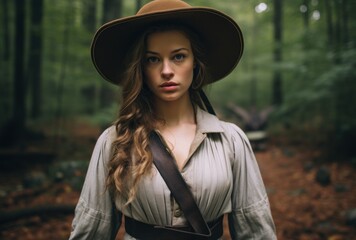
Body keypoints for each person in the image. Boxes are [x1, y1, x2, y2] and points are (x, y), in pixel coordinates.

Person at [69, 0, 276, 239]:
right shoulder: (115, 140)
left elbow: (256, 232)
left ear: (195, 63)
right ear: (140, 68)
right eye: (153, 59)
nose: (166, 70)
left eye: (178, 56)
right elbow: (91, 231)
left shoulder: (231, 141)